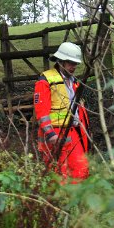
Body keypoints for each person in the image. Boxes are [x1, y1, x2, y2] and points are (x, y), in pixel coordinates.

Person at [34, 42, 90, 183]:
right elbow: (41, 112)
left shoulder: (73, 82)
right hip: (55, 135)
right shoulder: (45, 80)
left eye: (75, 63)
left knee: (81, 171)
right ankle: (59, 204)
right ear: (61, 61)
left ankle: (77, 203)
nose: (74, 66)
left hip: (74, 133)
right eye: (70, 63)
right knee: (59, 176)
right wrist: (51, 134)